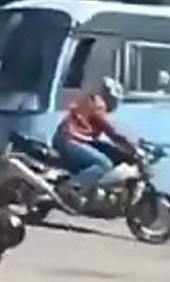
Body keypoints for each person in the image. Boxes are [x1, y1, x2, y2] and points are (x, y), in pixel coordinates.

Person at [52, 77, 138, 210]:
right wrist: (132, 147)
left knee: (107, 152)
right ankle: (70, 188)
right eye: (116, 99)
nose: (116, 103)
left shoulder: (93, 102)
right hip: (70, 139)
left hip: (74, 138)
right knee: (103, 164)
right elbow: (112, 131)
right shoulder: (98, 104)